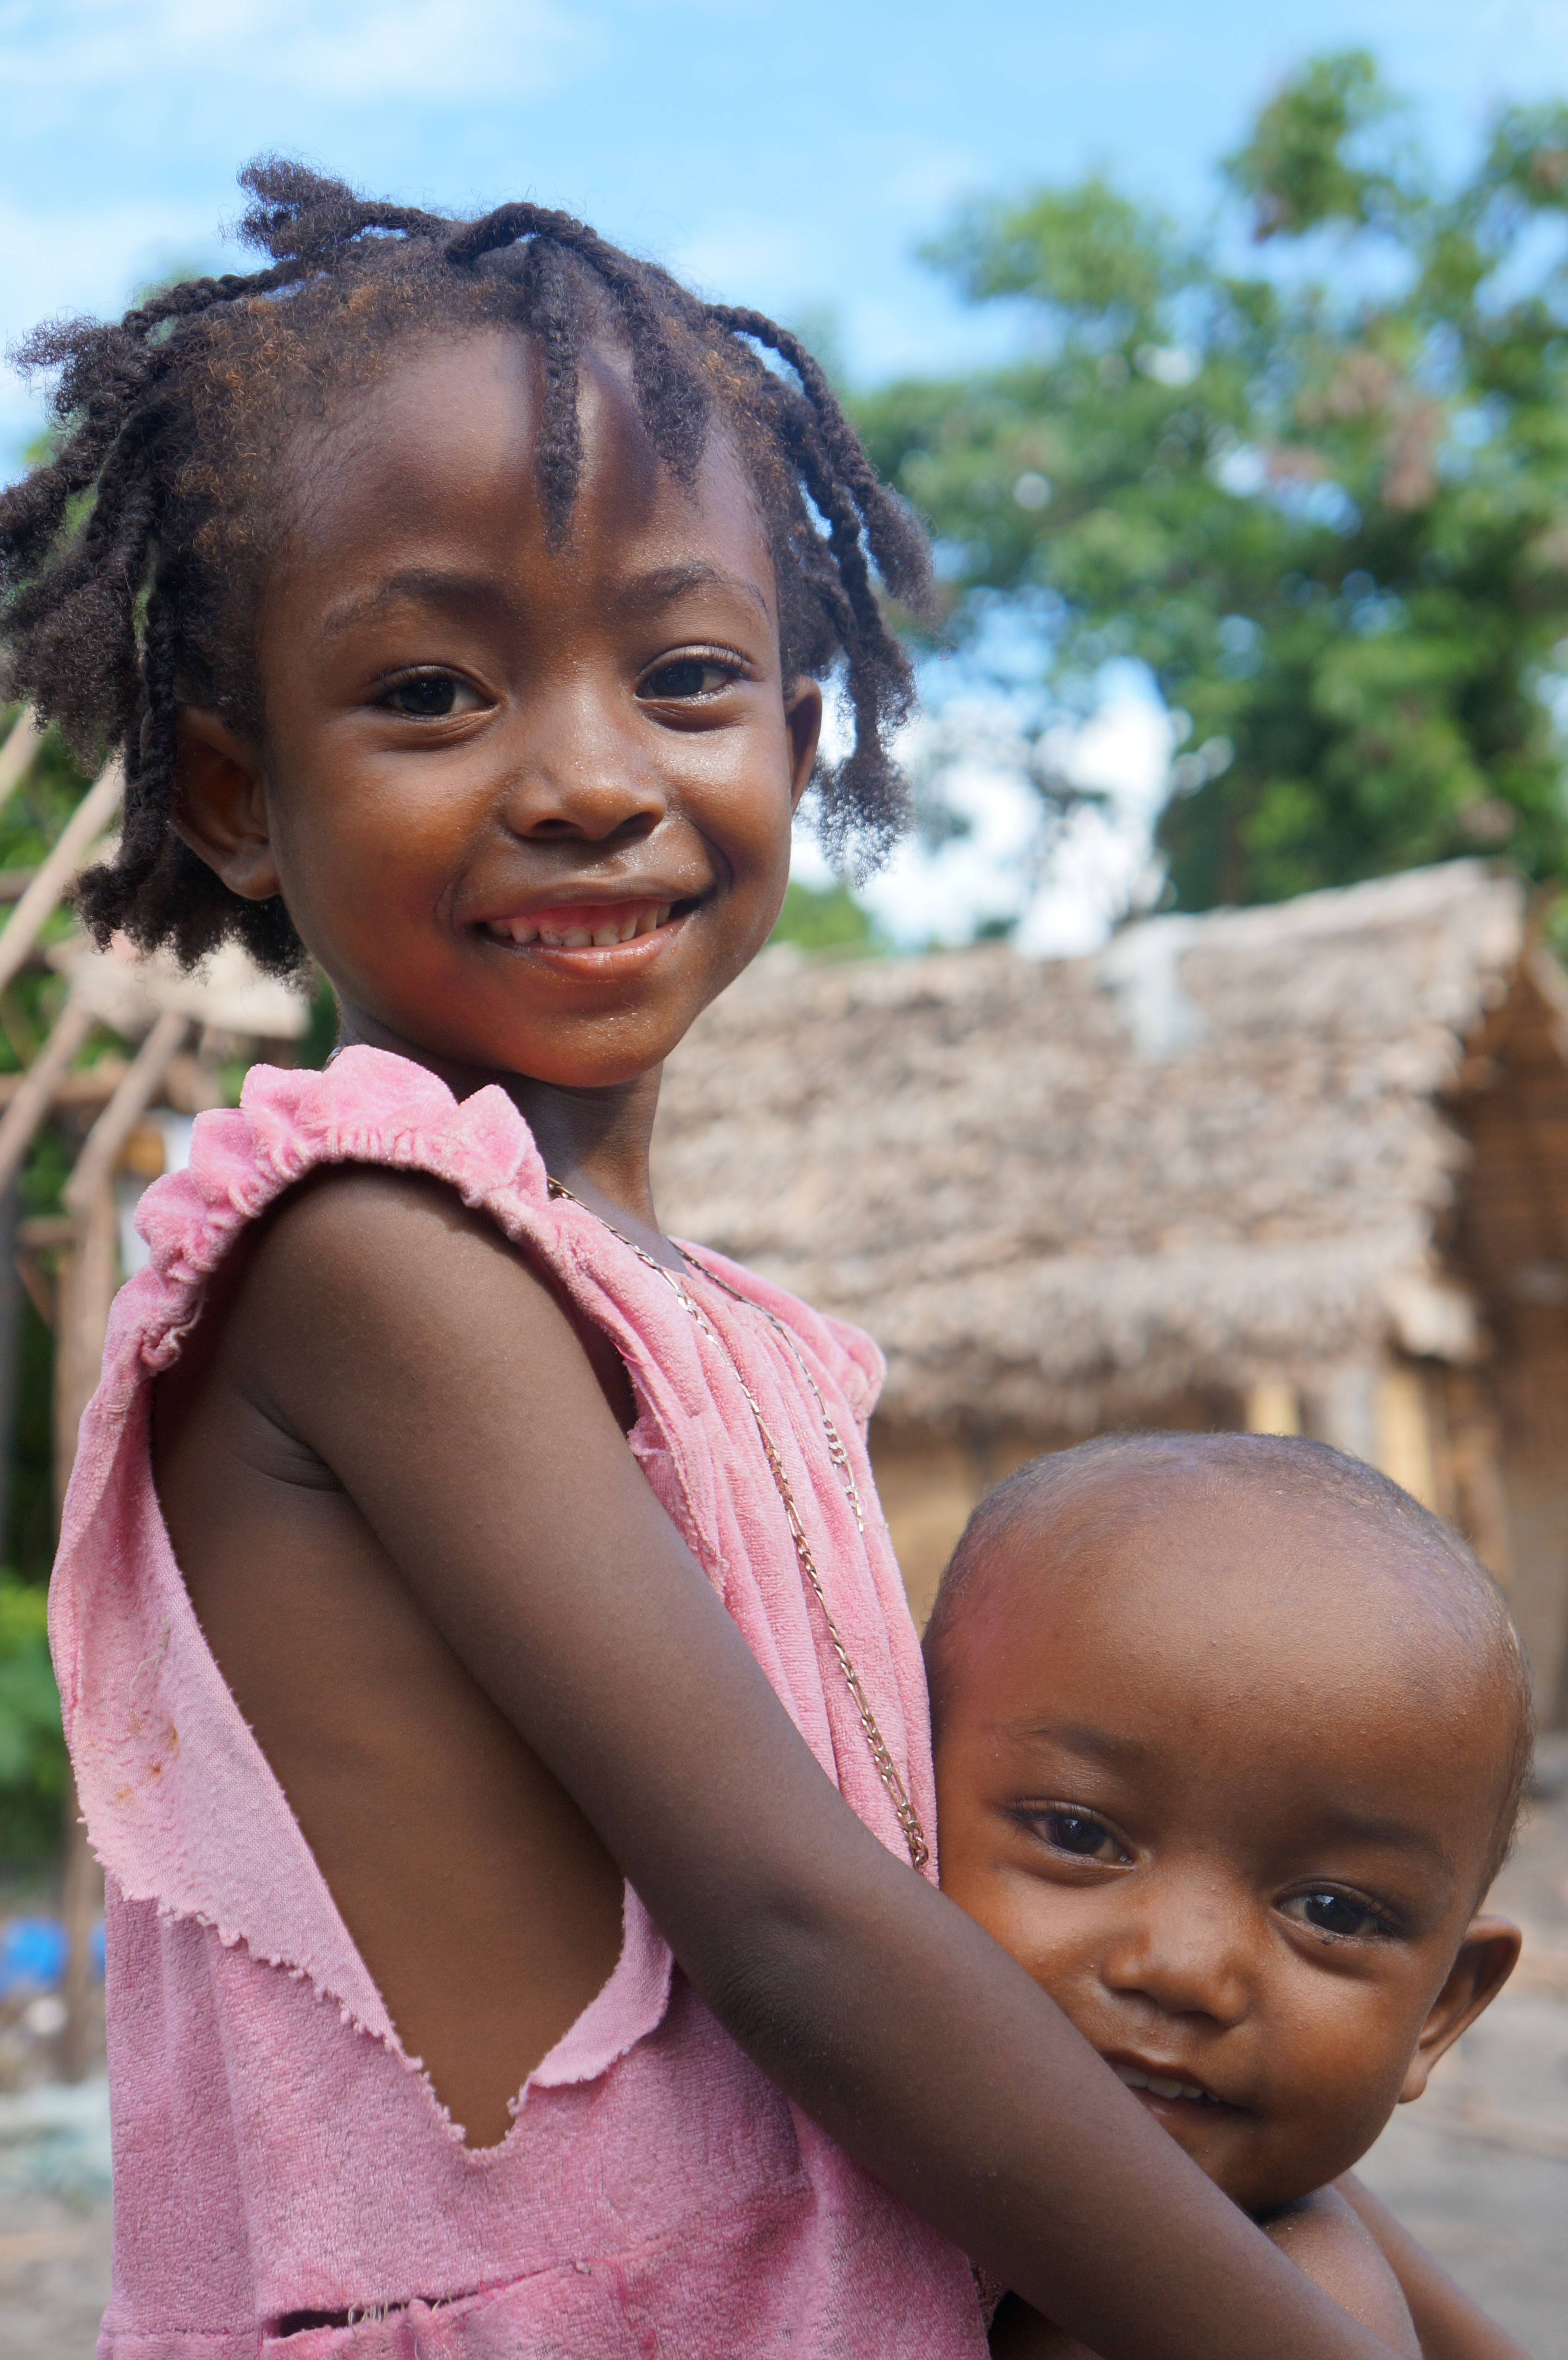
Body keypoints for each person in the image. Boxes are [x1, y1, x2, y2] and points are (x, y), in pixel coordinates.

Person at [8, 161, 1432, 2358]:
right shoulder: (365, 1249)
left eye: (685, 674)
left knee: (1319, 2248)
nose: (591, 777)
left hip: (795, 2287)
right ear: (230, 791)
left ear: (797, 730)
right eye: (430, 691)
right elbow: (800, 1925)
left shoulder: (719, 1320)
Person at [923, 1433, 1533, 2360]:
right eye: (1079, 1835)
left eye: (1331, 1913)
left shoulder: (1304, 2309)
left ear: (1443, 2008)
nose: (1185, 1970)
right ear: (897, 1791)